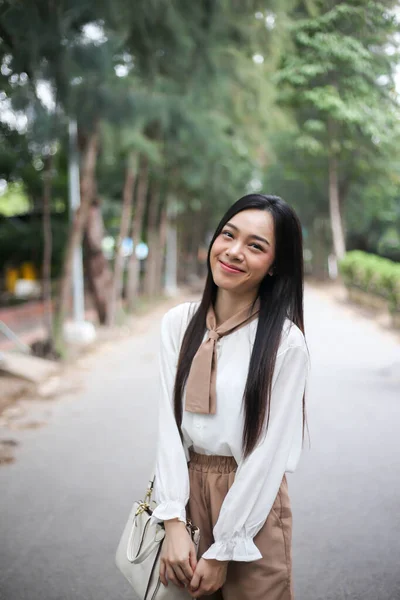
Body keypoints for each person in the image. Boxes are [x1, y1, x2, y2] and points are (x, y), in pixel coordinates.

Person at [151, 194, 310, 599]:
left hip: (250, 501)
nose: (234, 252)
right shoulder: (178, 324)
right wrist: (172, 520)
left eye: (256, 246)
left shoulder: (285, 345)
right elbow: (167, 428)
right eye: (228, 235)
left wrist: (224, 550)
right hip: (184, 492)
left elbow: (268, 453)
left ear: (275, 265)